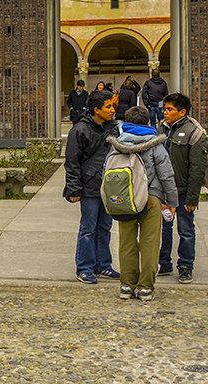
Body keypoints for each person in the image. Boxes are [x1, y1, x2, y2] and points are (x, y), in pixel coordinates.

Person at [106, 105, 177, 302]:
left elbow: (107, 171)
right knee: (150, 243)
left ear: (126, 123)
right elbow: (167, 175)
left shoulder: (116, 144)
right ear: (148, 123)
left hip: (125, 198)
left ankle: (127, 285)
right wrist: (172, 201)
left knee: (126, 242)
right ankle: (145, 287)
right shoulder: (156, 145)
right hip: (150, 198)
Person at [63, 89, 121, 284]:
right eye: (108, 106)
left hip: (109, 187)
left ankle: (103, 265)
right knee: (88, 229)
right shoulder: (79, 130)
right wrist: (74, 189)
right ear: (96, 109)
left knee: (105, 227)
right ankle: (84, 267)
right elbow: (72, 162)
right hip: (89, 187)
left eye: (112, 105)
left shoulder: (113, 128)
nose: (112, 109)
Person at [158, 92, 208, 285]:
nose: (165, 112)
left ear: (182, 112)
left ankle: (186, 266)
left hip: (184, 190)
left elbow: (198, 167)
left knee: (186, 230)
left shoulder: (194, 132)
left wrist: (192, 198)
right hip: (164, 190)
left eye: (169, 109)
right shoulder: (162, 128)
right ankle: (164, 263)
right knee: (164, 228)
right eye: (165, 108)